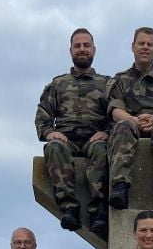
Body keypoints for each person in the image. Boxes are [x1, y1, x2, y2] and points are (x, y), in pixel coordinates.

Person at [35, 28, 110, 235]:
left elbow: (118, 114)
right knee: (54, 148)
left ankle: (98, 212)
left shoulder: (107, 84)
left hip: (95, 138)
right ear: (71, 51)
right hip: (66, 139)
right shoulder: (58, 84)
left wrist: (108, 132)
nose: (82, 49)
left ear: (94, 49)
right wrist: (50, 133)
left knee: (102, 150)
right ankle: (69, 209)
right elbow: (43, 115)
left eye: (86, 45)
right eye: (78, 46)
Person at [106, 26, 153, 212]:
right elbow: (115, 110)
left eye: (150, 44)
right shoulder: (120, 79)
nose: (145, 47)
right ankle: (120, 187)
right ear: (133, 47)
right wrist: (134, 120)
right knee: (122, 126)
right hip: (131, 123)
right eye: (141, 43)